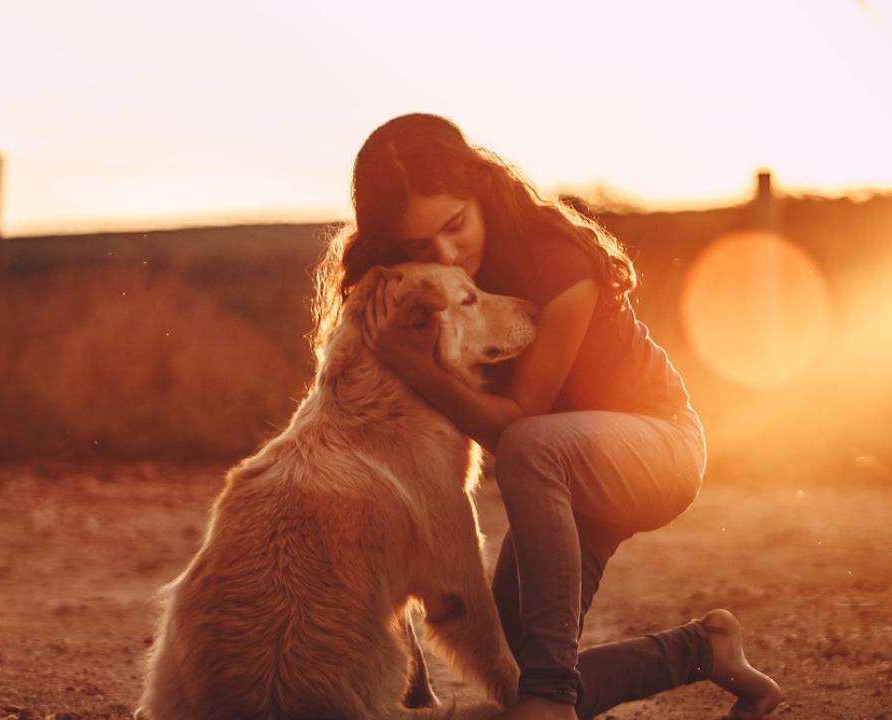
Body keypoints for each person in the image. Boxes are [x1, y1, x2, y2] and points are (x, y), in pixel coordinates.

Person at [311, 113, 782, 720]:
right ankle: (704, 651)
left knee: (532, 448)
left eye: (455, 226)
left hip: (656, 447)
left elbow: (518, 425)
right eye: (418, 247)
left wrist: (417, 366)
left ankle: (551, 705)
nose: (448, 254)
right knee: (510, 661)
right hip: (560, 477)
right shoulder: (421, 292)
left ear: (480, 189)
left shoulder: (556, 261)